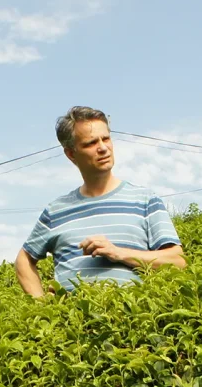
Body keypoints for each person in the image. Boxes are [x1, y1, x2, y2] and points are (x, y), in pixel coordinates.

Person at [15, 106, 186, 296]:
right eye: (91, 143)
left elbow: (177, 261)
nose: (103, 148)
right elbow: (24, 259)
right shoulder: (55, 211)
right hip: (70, 322)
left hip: (132, 319)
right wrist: (41, 304)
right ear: (71, 154)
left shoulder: (145, 200)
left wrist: (118, 253)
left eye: (106, 138)